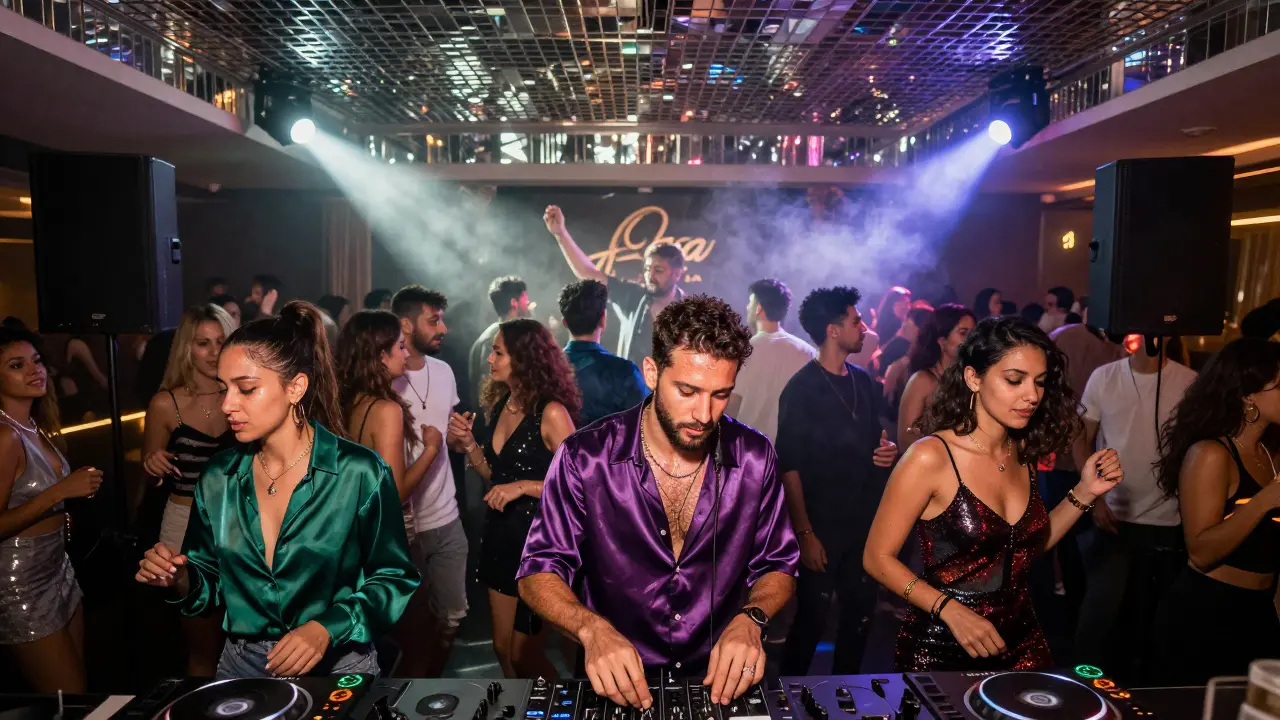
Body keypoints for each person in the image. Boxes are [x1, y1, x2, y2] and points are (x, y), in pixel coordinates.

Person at [519, 296, 798, 707]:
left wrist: (752, 618)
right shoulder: (585, 458)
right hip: (617, 685)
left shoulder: (755, 457)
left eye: (720, 395)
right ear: (652, 372)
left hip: (720, 684)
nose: (704, 414)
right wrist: (590, 630)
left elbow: (778, 564)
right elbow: (538, 571)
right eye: (687, 391)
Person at [135, 301, 420, 679]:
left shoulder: (357, 472)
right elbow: (209, 579)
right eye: (224, 389)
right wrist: (178, 577)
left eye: (246, 389)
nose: (227, 404)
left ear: (295, 387)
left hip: (338, 666)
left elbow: (394, 576)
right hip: (242, 665)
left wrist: (326, 627)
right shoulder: (219, 476)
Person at [863, 317, 1123, 671]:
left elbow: (1024, 550)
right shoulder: (931, 457)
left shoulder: (1022, 452)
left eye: (1040, 383)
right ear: (974, 378)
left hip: (1022, 640)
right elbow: (877, 558)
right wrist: (948, 610)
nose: (1032, 396)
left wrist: (1085, 491)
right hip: (943, 645)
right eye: (1014, 380)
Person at [776, 286, 897, 675]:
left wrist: (886, 452)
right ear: (832, 330)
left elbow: (875, 441)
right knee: (811, 621)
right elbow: (788, 465)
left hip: (864, 523)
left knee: (860, 619)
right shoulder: (801, 389)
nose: (863, 328)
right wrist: (805, 532)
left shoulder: (863, 380)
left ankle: (848, 698)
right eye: (856, 320)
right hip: (822, 526)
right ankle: (786, 700)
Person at [447, 319, 578, 679]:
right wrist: (470, 445)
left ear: (524, 358)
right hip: (501, 537)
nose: (489, 359)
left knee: (524, 656)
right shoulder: (503, 402)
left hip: (539, 545)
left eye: (498, 352)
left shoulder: (551, 412)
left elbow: (579, 483)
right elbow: (496, 478)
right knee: (502, 651)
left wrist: (523, 486)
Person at [1149, 339, 1280, 685]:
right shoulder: (1211, 454)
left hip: (1261, 612)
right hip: (1209, 613)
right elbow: (1201, 551)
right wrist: (1266, 500)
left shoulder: (1271, 455)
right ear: (1248, 394)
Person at [1072, 336, 1195, 683]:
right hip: (1113, 518)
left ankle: (1145, 697)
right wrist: (1093, 499)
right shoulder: (1104, 376)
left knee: (1155, 622)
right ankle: (1085, 691)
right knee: (1100, 617)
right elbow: (1080, 438)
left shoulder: (1190, 381)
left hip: (1170, 520)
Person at [0, 327, 102, 693]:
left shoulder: (32, 426)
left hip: (58, 567)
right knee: (69, 698)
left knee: (77, 696)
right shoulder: (5, 436)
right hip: (20, 583)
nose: (34, 370)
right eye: (17, 364)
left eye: (37, 360)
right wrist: (61, 490)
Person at [140, 304, 237, 676]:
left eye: (221, 341)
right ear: (186, 348)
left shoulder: (243, 396)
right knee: (202, 643)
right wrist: (152, 464)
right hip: (185, 525)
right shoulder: (166, 404)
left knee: (250, 637)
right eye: (202, 343)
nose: (213, 352)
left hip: (241, 521)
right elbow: (149, 475)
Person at [389, 286, 471, 677]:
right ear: (406, 325)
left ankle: (432, 692)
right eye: (433, 320)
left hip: (446, 516)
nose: (444, 328)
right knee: (411, 630)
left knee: (452, 618)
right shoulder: (385, 378)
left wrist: (458, 439)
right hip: (401, 527)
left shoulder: (444, 372)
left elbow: (449, 438)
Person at [544, 205, 686, 366]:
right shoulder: (633, 297)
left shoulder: (689, 311)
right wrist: (560, 234)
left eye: (658, 270)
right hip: (633, 389)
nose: (650, 276)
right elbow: (588, 273)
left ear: (677, 273)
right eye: (647, 269)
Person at [727, 279, 816, 442]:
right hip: (790, 454)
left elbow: (732, 403)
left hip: (747, 450)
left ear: (758, 308)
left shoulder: (743, 349)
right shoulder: (807, 352)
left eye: (750, 302)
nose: (747, 307)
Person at [558, 279, 649, 427]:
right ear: (603, 320)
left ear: (565, 323)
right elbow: (646, 423)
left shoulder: (546, 370)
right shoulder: (624, 372)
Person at [897, 305, 976, 450]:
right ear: (942, 341)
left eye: (973, 333)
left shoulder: (972, 380)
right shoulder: (922, 380)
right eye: (963, 333)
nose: (970, 340)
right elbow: (904, 441)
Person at [471, 276, 531, 408]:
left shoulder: (497, 334)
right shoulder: (494, 339)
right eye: (525, 298)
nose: (528, 303)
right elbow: (490, 390)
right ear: (514, 302)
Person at [872, 287, 912, 367]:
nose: (907, 307)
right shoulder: (883, 326)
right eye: (902, 302)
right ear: (891, 304)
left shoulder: (907, 325)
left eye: (908, 303)